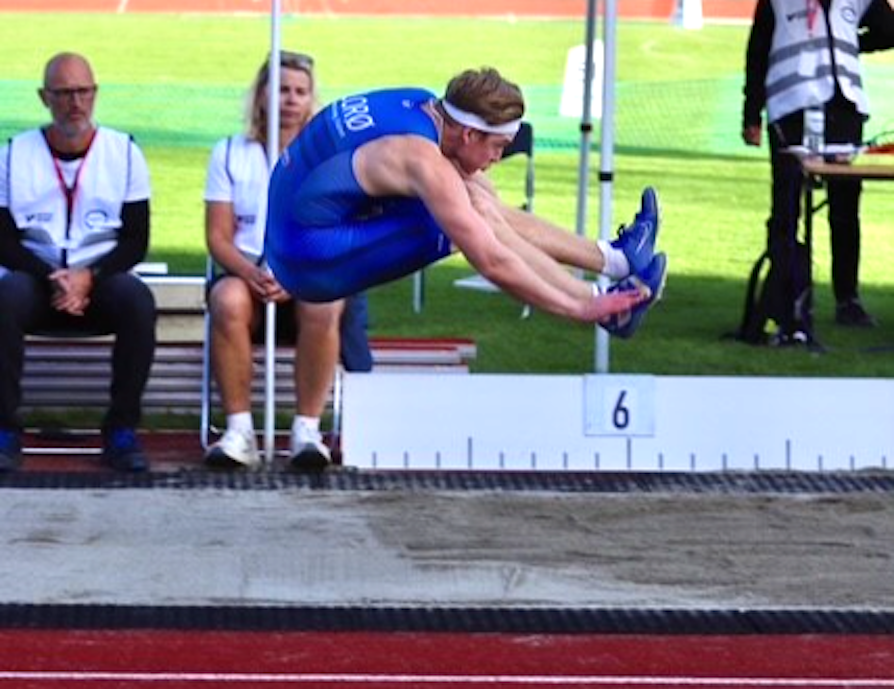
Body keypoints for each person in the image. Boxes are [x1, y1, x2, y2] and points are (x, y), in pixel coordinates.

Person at [265, 67, 667, 427]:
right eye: (497, 145)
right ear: (470, 133)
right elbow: (491, 261)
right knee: (475, 214)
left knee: (480, 193)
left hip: (296, 218)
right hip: (307, 260)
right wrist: (577, 309)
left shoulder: (425, 105)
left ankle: (614, 259)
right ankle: (599, 304)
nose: (500, 155)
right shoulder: (419, 158)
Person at [203, 51, 373, 471]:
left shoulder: (330, 157)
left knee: (327, 302)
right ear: (261, 96)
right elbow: (218, 236)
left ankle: (307, 431)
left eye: (300, 91)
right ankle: (239, 430)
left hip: (307, 277)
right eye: (281, 90)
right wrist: (250, 272)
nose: (291, 100)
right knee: (227, 299)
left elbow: (341, 234)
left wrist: (293, 276)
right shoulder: (228, 153)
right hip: (246, 275)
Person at [0, 52, 155, 473]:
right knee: (5, 294)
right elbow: (3, 241)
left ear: (96, 94)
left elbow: (136, 241)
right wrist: (53, 277)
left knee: (137, 299)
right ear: (43, 97)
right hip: (36, 281)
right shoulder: (13, 154)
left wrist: (90, 276)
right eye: (64, 93)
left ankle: (122, 431)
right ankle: (5, 431)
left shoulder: (124, 153)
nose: (75, 103)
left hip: (101, 280)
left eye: (83, 91)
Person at [742, 0, 892, 328]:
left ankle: (847, 300)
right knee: (786, 208)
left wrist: (851, 43)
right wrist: (751, 112)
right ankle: (787, 297)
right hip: (791, 109)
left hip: (844, 112)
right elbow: (758, 51)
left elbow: (889, 31)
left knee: (845, 210)